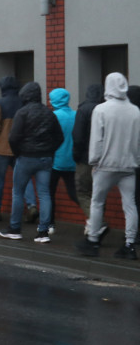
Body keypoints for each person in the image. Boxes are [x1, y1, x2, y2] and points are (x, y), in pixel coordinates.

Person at [77, 73, 140, 258]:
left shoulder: (101, 110)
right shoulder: (135, 111)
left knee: (97, 202)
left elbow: (97, 140)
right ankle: (129, 245)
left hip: (105, 164)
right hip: (129, 165)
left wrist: (94, 162)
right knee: (130, 205)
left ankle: (93, 241)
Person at [0, 82, 62, 243]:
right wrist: (49, 150)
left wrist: (18, 152)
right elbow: (59, 137)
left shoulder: (22, 113)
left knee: (18, 192)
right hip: (45, 158)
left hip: (26, 157)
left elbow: (13, 137)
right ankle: (43, 232)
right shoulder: (49, 113)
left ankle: (15, 228)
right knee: (44, 194)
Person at [0, 76, 36, 222]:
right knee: (25, 179)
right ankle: (31, 206)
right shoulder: (24, 103)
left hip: (1, 148)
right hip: (20, 149)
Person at [72, 83, 104, 233]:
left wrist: (76, 156)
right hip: (104, 160)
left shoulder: (83, 110)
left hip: (85, 159)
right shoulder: (106, 109)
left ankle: (97, 223)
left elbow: (78, 137)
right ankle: (93, 226)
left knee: (83, 192)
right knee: (98, 194)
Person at [48, 88, 78, 231]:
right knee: (75, 193)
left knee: (48, 193)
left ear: (54, 101)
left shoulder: (52, 116)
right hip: (72, 160)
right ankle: (93, 219)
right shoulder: (75, 115)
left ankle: (50, 223)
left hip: (54, 161)